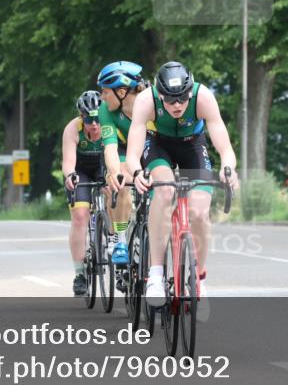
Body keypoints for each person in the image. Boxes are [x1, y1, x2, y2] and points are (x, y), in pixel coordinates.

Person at [125, 61, 239, 311]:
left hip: (192, 146)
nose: (176, 106)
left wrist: (227, 169)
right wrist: (136, 173)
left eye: (181, 100)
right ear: (160, 95)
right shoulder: (146, 100)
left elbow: (225, 148)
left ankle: (199, 279)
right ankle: (155, 274)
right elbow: (133, 152)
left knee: (199, 213)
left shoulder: (203, 97)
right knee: (165, 191)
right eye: (169, 100)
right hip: (158, 145)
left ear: (190, 93)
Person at [97, 60, 146, 271]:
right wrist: (115, 173)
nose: (102, 96)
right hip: (122, 150)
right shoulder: (106, 111)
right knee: (121, 181)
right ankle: (120, 239)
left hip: (149, 148)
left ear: (122, 91)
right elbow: (110, 148)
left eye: (105, 91)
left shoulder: (150, 103)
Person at [62, 90, 105, 296]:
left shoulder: (109, 126)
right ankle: (80, 274)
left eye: (97, 118)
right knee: (80, 217)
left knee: (114, 191)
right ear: (82, 117)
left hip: (104, 166)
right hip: (81, 171)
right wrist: (70, 175)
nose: (94, 124)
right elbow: (68, 162)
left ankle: (117, 244)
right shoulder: (73, 129)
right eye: (89, 119)